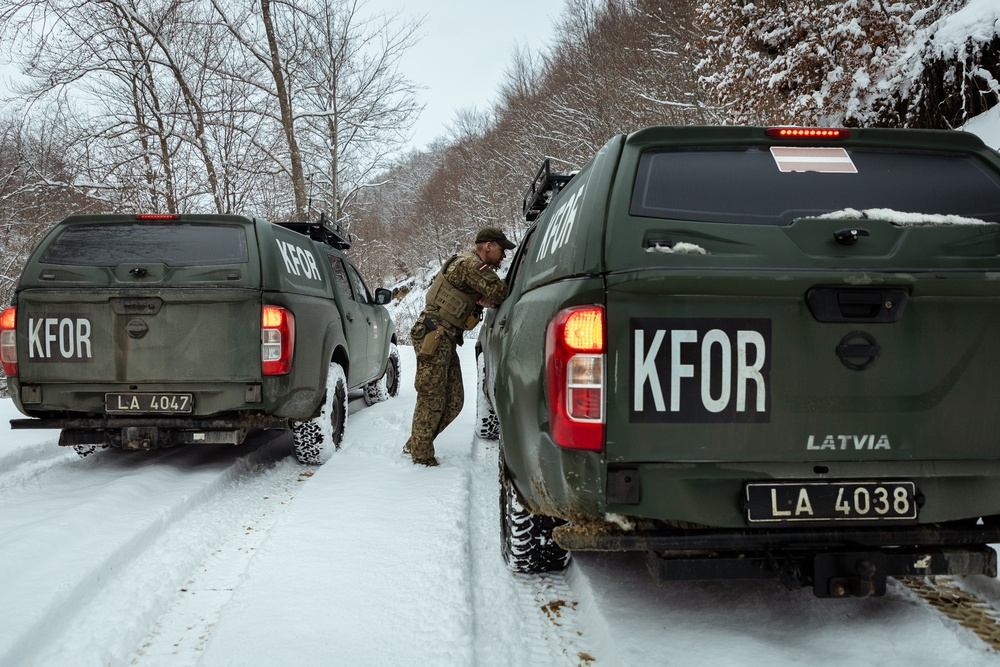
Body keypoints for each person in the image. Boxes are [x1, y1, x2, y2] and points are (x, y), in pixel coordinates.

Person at [404, 226, 516, 466]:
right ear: (487, 246)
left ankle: (417, 441)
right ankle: (420, 456)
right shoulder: (470, 265)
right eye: (501, 249)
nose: (504, 255)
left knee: (454, 400)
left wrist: (479, 299)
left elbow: (491, 296)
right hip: (434, 334)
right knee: (431, 396)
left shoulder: (471, 266)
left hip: (445, 336)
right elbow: (499, 292)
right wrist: (488, 296)